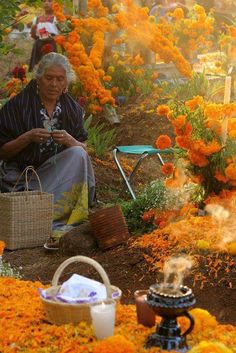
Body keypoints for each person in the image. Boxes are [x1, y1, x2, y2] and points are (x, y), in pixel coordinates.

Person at [0, 53, 95, 230]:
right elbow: (3, 152)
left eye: (60, 79)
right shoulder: (18, 105)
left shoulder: (71, 108)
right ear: (38, 78)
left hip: (55, 176)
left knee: (78, 152)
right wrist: (26, 138)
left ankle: (58, 216)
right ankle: (36, 218)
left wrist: (70, 140)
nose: (54, 84)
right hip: (23, 179)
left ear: (66, 82)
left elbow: (84, 148)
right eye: (48, 78)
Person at [29, 0, 59, 72]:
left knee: (52, 69)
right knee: (37, 69)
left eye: (49, 1)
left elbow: (62, 35)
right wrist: (33, 30)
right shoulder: (36, 19)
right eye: (44, 1)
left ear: (55, 3)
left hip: (53, 45)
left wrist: (53, 38)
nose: (46, 3)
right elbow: (34, 36)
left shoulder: (58, 18)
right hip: (39, 46)